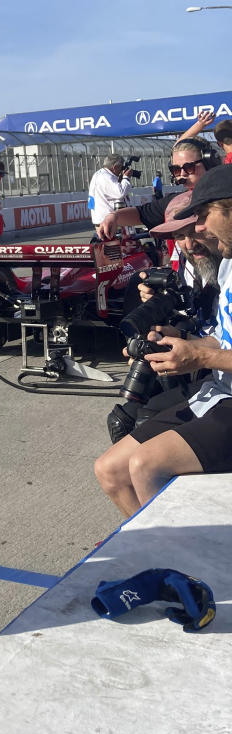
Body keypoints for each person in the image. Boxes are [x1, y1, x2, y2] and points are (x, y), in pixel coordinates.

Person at [94, 164, 232, 517]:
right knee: (110, 471)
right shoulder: (227, 264)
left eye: (202, 217)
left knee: (146, 465)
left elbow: (215, 353)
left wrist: (199, 358)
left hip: (223, 393)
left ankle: (188, 565)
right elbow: (222, 340)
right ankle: (157, 558)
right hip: (217, 392)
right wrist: (180, 342)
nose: (197, 231)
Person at [96, 138, 221, 241]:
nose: (182, 174)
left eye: (189, 167)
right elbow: (142, 214)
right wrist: (113, 216)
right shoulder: (175, 202)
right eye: (176, 169)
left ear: (210, 162)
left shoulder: (225, 197)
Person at [88, 154, 133, 230]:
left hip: (104, 220)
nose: (122, 170)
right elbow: (120, 193)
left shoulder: (100, 174)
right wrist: (126, 178)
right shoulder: (106, 177)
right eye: (121, 167)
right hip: (107, 221)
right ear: (115, 167)